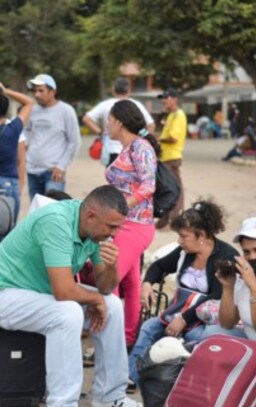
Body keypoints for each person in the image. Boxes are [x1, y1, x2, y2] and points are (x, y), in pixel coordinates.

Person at [0, 185, 145, 407]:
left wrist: (111, 267)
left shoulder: (95, 231)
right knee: (67, 313)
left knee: (111, 305)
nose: (114, 233)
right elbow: (64, 291)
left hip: (39, 294)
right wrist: (94, 298)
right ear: (91, 216)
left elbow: (105, 287)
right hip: (1, 294)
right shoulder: (56, 222)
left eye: (118, 227)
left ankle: (109, 395)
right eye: (111, 227)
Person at [127, 200, 239, 383]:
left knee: (198, 338)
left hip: (205, 320)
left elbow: (217, 296)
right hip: (177, 313)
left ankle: (184, 383)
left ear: (201, 235)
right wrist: (147, 283)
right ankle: (131, 377)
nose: (179, 241)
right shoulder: (184, 252)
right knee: (149, 327)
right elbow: (159, 266)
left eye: (183, 236)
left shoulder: (226, 256)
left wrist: (184, 319)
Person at [103, 99, 157, 346]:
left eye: (109, 120)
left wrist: (122, 208)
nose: (106, 124)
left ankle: (109, 340)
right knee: (131, 283)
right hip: (125, 224)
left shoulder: (140, 147)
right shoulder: (129, 148)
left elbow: (148, 185)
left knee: (110, 280)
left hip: (135, 225)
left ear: (120, 122)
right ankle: (125, 340)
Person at [24, 74, 80, 200]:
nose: (37, 94)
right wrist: (25, 146)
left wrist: (62, 166)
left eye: (41, 90)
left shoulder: (66, 111)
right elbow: (26, 130)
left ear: (52, 92)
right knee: (37, 211)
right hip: (32, 170)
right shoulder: (33, 110)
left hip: (53, 172)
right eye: (35, 91)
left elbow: (74, 141)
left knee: (52, 210)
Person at [0, 83, 34, 222]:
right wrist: (6, 91)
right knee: (7, 232)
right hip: (8, 184)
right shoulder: (13, 128)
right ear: (5, 107)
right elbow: (29, 102)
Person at [82, 77, 155, 167]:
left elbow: (86, 119)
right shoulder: (136, 104)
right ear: (128, 90)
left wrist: (101, 133)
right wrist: (144, 139)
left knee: (114, 177)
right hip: (134, 149)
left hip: (112, 150)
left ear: (113, 90)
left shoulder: (105, 104)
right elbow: (151, 125)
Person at [157, 88, 187, 226]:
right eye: (163, 98)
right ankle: (165, 219)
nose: (164, 101)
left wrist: (158, 139)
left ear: (175, 99)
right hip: (166, 157)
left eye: (166, 98)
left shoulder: (178, 115)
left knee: (175, 189)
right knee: (165, 188)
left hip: (172, 157)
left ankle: (175, 219)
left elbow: (173, 138)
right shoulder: (170, 115)